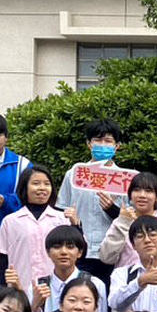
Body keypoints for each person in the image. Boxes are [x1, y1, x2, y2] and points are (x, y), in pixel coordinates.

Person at [56, 118, 127, 285]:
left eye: (108, 141)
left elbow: (131, 220)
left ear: (117, 146)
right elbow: (61, 210)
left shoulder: (125, 178)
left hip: (113, 252)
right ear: (89, 144)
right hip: (80, 251)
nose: (103, 145)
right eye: (97, 140)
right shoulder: (74, 173)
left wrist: (111, 209)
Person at [0, 164, 67, 293]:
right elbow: (2, 261)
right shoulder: (11, 221)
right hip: (20, 289)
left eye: (47, 184)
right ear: (24, 188)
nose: (42, 188)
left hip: (57, 291)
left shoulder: (63, 219)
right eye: (36, 183)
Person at [98, 172, 157, 269]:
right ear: (130, 196)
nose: (142, 195)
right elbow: (106, 257)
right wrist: (123, 222)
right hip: (127, 281)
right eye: (136, 190)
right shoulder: (121, 221)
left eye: (148, 191)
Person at [31, 224, 106, 312]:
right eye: (57, 247)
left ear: (79, 252)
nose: (63, 252)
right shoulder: (38, 286)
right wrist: (35, 307)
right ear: (48, 252)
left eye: (70, 247)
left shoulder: (95, 284)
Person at [108, 216, 157, 312]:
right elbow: (114, 304)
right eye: (140, 236)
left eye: (153, 235)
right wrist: (139, 283)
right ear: (133, 245)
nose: (147, 240)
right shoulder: (121, 273)